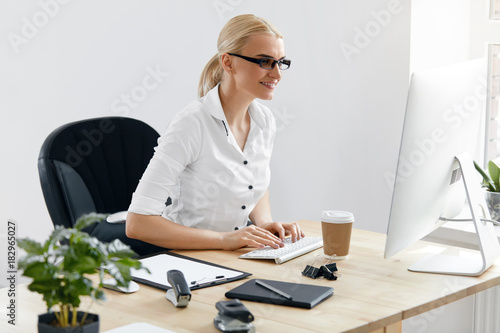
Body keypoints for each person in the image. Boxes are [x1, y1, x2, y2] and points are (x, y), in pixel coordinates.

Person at [126, 14, 304, 251]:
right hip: (187, 259)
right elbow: (138, 223)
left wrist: (265, 224)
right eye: (264, 62)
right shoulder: (191, 124)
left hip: (236, 255)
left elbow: (253, 182)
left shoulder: (264, 121)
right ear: (228, 62)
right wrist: (225, 240)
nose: (277, 74)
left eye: (280, 62)